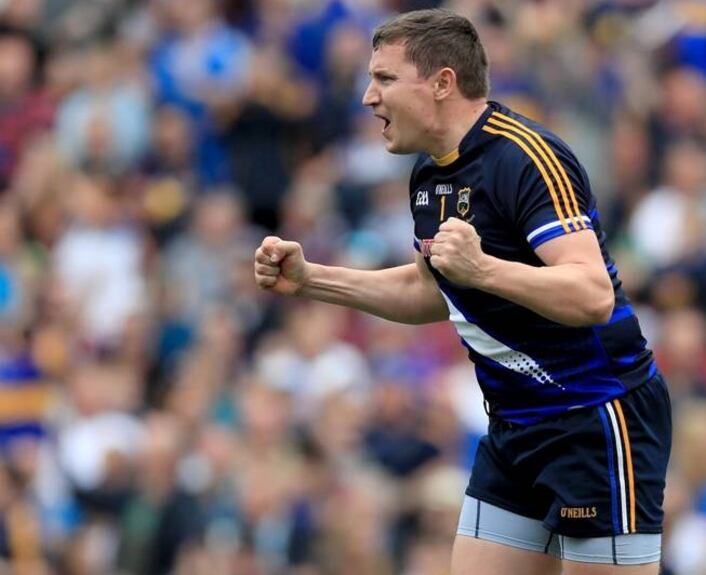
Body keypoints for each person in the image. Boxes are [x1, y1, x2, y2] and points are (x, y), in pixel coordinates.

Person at [253, 9, 671, 574]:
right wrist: (312, 280)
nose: (367, 98)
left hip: (597, 417)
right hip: (513, 425)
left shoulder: (525, 157)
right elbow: (435, 290)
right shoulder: (430, 174)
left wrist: (484, 270)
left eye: (385, 79)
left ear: (443, 82)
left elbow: (591, 293)